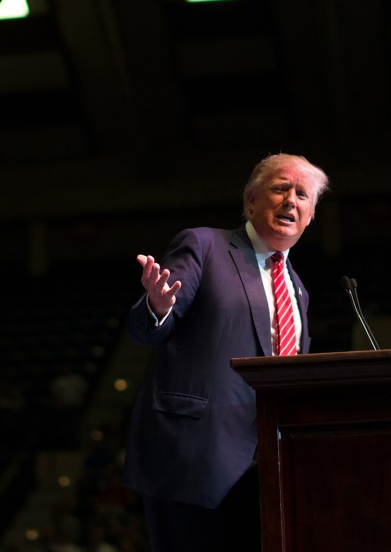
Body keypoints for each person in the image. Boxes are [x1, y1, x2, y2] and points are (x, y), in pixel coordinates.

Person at [122, 153, 330, 551]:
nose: (291, 201)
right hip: (195, 458)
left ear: (311, 215)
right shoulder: (204, 245)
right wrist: (158, 306)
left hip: (267, 466)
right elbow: (145, 330)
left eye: (302, 195)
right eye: (280, 188)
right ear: (251, 201)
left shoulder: (298, 289)